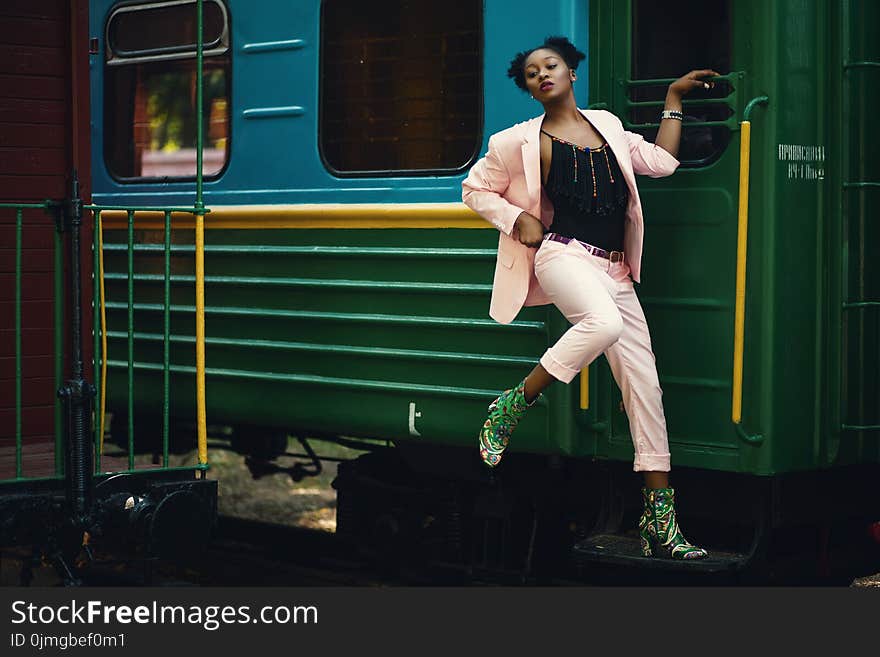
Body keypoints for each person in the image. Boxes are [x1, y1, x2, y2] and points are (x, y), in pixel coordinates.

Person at [461, 35, 719, 560]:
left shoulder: (609, 126)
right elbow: (474, 189)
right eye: (532, 73)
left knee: (645, 389)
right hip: (562, 257)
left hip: (615, 270)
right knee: (602, 324)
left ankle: (660, 524)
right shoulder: (516, 142)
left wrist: (673, 96)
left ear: (571, 73)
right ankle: (512, 404)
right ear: (530, 90)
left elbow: (664, 163)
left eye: (550, 66)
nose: (543, 75)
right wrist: (517, 218)